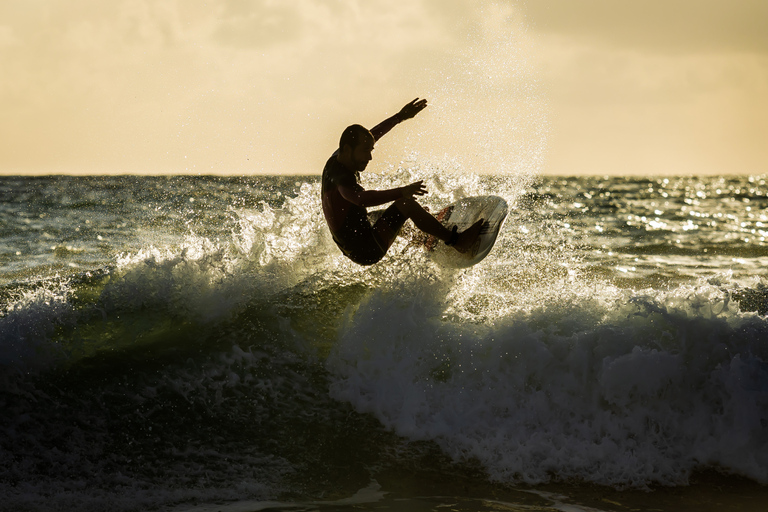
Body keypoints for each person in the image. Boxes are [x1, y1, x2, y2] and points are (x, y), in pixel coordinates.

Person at [321, 98, 483, 265]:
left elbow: (373, 135)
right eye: (365, 151)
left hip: (353, 244)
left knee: (380, 215)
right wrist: (402, 191)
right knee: (406, 204)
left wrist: (399, 117)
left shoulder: (338, 158)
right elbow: (361, 199)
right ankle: (457, 241)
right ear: (347, 150)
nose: (369, 157)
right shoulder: (341, 178)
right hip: (366, 249)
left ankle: (424, 237)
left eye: (370, 150)